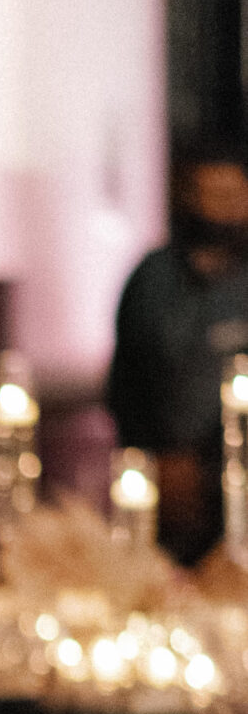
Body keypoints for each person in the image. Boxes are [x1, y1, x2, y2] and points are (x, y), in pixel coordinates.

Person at [108, 138, 248, 564]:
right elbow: (125, 380)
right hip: (171, 480)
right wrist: (155, 458)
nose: (226, 208)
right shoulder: (154, 280)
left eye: (235, 195)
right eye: (215, 195)